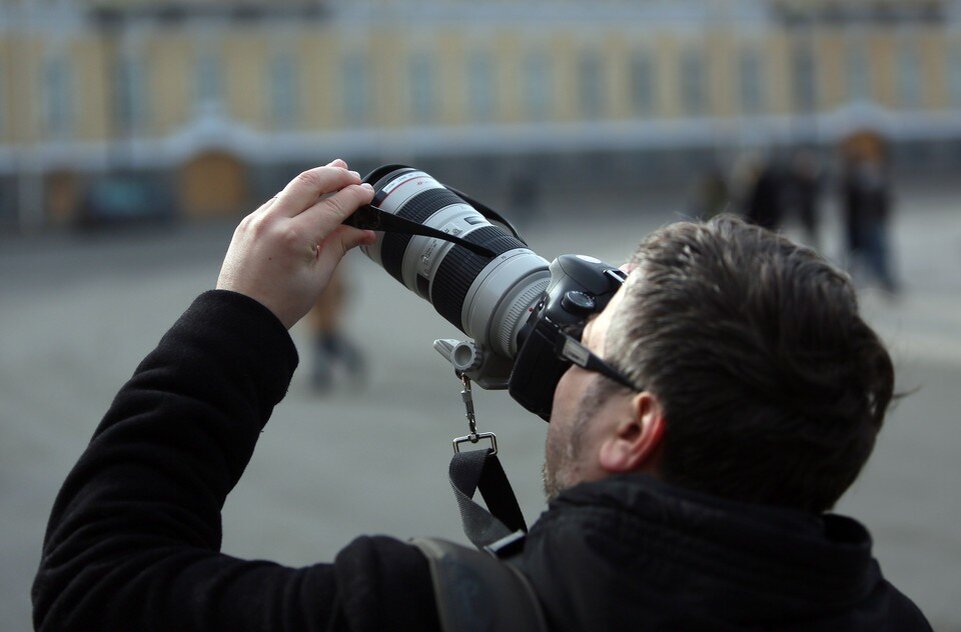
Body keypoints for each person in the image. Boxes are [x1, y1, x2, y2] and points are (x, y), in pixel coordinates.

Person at [33, 159, 930, 630]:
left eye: (584, 352)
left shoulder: (434, 610)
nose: (553, 363)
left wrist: (238, 318)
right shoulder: (886, 614)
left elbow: (96, 590)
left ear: (637, 428)